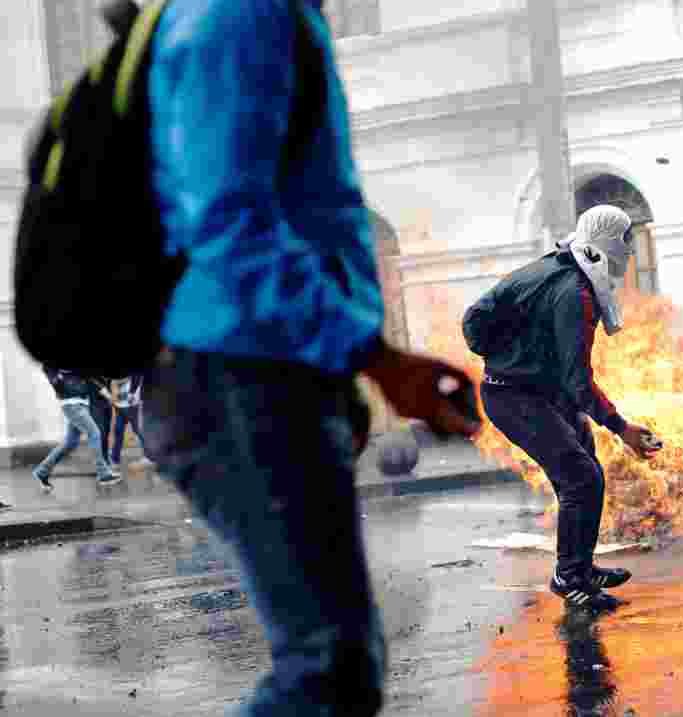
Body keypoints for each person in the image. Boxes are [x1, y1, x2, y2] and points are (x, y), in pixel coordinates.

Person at [139, 2, 479, 716]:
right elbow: (228, 223)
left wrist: (342, 374)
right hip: (236, 375)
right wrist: (375, 359)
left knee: (338, 668)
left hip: (266, 372)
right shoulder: (241, 12)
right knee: (327, 670)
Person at [465, 205, 662, 612]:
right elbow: (579, 381)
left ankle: (581, 566)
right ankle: (568, 577)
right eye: (625, 244)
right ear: (608, 244)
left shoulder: (563, 266)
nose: (627, 255)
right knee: (581, 478)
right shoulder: (574, 292)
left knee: (586, 469)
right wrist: (621, 428)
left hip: (540, 390)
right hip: (514, 397)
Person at [33, 367, 119, 491]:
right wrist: (60, 379)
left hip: (82, 402)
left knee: (70, 443)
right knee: (94, 433)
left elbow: (89, 376)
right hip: (71, 403)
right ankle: (103, 474)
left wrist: (104, 391)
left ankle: (41, 472)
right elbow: (55, 381)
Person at [106, 374, 149, 476]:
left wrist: (117, 383)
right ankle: (114, 459)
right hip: (119, 404)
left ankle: (150, 456)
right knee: (118, 431)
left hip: (132, 403)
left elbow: (137, 377)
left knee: (138, 430)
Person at [87, 376, 113, 465]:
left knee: (106, 432)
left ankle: (105, 458)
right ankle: (101, 463)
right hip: (95, 403)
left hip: (107, 403)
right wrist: (104, 391)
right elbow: (91, 379)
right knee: (100, 432)